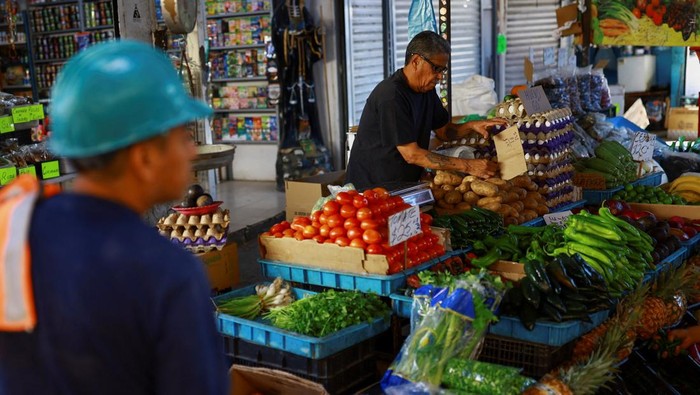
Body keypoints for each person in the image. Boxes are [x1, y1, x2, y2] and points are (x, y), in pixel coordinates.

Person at [0, 41, 228, 394]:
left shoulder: (15, 230)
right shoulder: (166, 272)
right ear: (144, 157)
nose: (190, 149)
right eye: (181, 135)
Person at [346, 31, 507, 190]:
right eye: (436, 69)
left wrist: (471, 126)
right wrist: (468, 166)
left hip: (402, 187)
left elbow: (444, 132)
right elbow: (412, 154)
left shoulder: (426, 91)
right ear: (416, 61)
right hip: (371, 191)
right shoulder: (392, 96)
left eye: (442, 70)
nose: (440, 77)